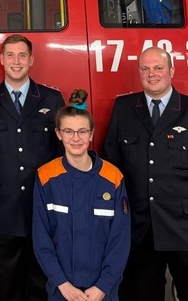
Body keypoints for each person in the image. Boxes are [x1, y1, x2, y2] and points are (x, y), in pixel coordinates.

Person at [103, 46, 188, 301]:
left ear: (171, 70)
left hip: (187, 230)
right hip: (140, 231)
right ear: (139, 72)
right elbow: (111, 170)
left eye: (158, 68)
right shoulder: (124, 108)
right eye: (145, 69)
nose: (152, 74)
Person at [0, 34, 65, 301]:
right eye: (10, 55)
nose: (16, 61)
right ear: (1, 60)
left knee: (42, 286)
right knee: (6, 288)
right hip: (3, 214)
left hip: (43, 213)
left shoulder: (52, 98)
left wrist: (61, 213)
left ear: (31, 60)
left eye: (22, 55)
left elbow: (62, 160)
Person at [33, 97, 130, 301]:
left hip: (103, 291)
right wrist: (62, 283)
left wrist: (102, 287)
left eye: (82, 131)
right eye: (68, 131)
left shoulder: (112, 178)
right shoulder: (46, 177)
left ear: (91, 134)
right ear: (59, 134)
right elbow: (41, 238)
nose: (75, 138)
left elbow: (120, 240)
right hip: (62, 291)